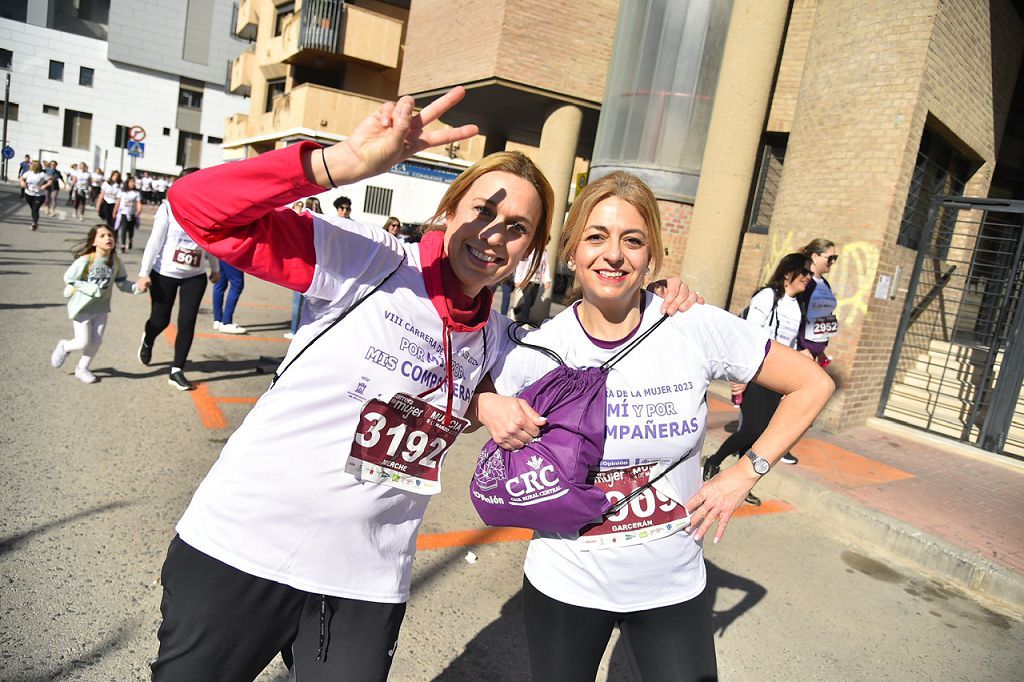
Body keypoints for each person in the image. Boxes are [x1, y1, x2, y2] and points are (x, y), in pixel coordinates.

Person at [148, 87, 696, 680]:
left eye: (516, 228)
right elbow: (196, 208)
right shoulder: (364, 260)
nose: (492, 234)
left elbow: (593, 353)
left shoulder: (499, 337)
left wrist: (658, 299)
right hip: (242, 549)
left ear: (529, 252)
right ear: (449, 211)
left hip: (363, 580)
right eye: (481, 212)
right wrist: (343, 164)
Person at [473, 173, 833, 682]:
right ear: (572, 249)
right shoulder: (535, 348)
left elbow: (811, 385)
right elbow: (450, 390)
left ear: (653, 254)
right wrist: (487, 402)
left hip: (672, 584)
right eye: (596, 236)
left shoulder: (691, 325)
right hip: (565, 583)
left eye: (633, 240)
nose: (614, 255)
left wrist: (744, 472)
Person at [703, 252, 816, 500]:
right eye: (805, 272)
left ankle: (742, 485)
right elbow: (748, 334)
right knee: (753, 428)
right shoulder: (767, 297)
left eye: (811, 273)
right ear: (788, 273)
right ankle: (714, 460)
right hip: (757, 372)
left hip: (780, 377)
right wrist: (740, 377)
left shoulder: (797, 306)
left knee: (763, 432)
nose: (809, 277)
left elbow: (789, 342)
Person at [136, 169, 221, 391]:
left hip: (194, 276)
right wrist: (144, 273)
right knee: (160, 320)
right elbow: (154, 242)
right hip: (165, 273)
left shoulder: (208, 211)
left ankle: (177, 370)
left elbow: (209, 240)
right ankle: (148, 338)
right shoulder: (167, 209)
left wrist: (215, 267)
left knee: (187, 321)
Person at [51, 225, 139, 383]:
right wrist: (91, 288)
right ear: (94, 242)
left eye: (110, 235)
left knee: (96, 341)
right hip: (82, 308)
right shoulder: (86, 260)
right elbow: (69, 278)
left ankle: (82, 368)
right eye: (103, 236)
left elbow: (122, 283)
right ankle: (64, 346)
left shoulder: (116, 262)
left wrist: (138, 288)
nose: (108, 238)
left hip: (101, 308)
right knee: (82, 341)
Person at [798, 238, 839, 366]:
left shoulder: (825, 283)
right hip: (802, 351)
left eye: (835, 258)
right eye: (830, 257)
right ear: (815, 257)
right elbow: (798, 312)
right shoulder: (806, 282)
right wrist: (800, 347)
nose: (833, 262)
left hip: (815, 349)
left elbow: (824, 316)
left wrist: (821, 348)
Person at [512, 247, 550, 323]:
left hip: (537, 281)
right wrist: (518, 280)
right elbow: (521, 265)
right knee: (528, 301)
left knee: (531, 302)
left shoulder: (543, 253)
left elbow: (546, 267)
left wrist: (547, 280)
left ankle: (517, 310)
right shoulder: (528, 251)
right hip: (526, 281)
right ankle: (524, 321)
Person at [113, 177, 143, 252]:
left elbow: (139, 203)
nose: (133, 184)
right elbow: (118, 202)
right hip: (123, 213)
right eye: (132, 182)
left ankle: (130, 240)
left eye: (134, 182)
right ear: (128, 183)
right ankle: (123, 244)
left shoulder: (136, 193)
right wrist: (115, 211)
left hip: (132, 214)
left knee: (130, 229)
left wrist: (139, 211)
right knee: (124, 228)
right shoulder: (122, 192)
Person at [19, 160, 49, 231]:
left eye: (31, 164)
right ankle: (35, 221)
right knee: (33, 209)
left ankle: (34, 223)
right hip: (28, 194)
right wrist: (22, 183)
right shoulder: (29, 173)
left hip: (39, 195)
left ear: (35, 166)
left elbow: (50, 180)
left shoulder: (42, 174)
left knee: (35, 209)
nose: (30, 165)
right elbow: (21, 178)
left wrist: (45, 185)